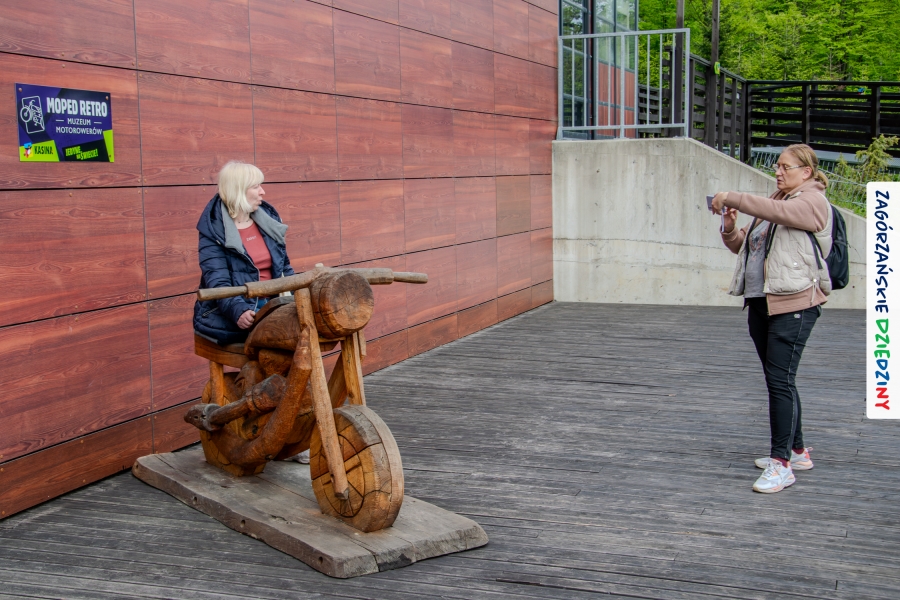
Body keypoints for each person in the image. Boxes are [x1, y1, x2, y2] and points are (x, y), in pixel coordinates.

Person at [710, 144, 832, 494]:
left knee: (780, 381)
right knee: (781, 380)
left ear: (806, 172)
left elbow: (781, 213)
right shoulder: (775, 203)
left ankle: (781, 465)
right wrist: (730, 227)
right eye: (777, 166)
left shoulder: (811, 202)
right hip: (762, 303)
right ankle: (797, 452)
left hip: (794, 304)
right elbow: (747, 247)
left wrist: (733, 196)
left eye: (785, 167)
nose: (778, 172)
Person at [193, 161, 295, 346]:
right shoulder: (214, 230)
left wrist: (299, 295)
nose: (263, 192)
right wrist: (239, 311)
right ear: (238, 190)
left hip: (275, 304)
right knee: (289, 344)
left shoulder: (268, 221)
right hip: (234, 312)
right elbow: (217, 282)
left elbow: (284, 268)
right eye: (256, 187)